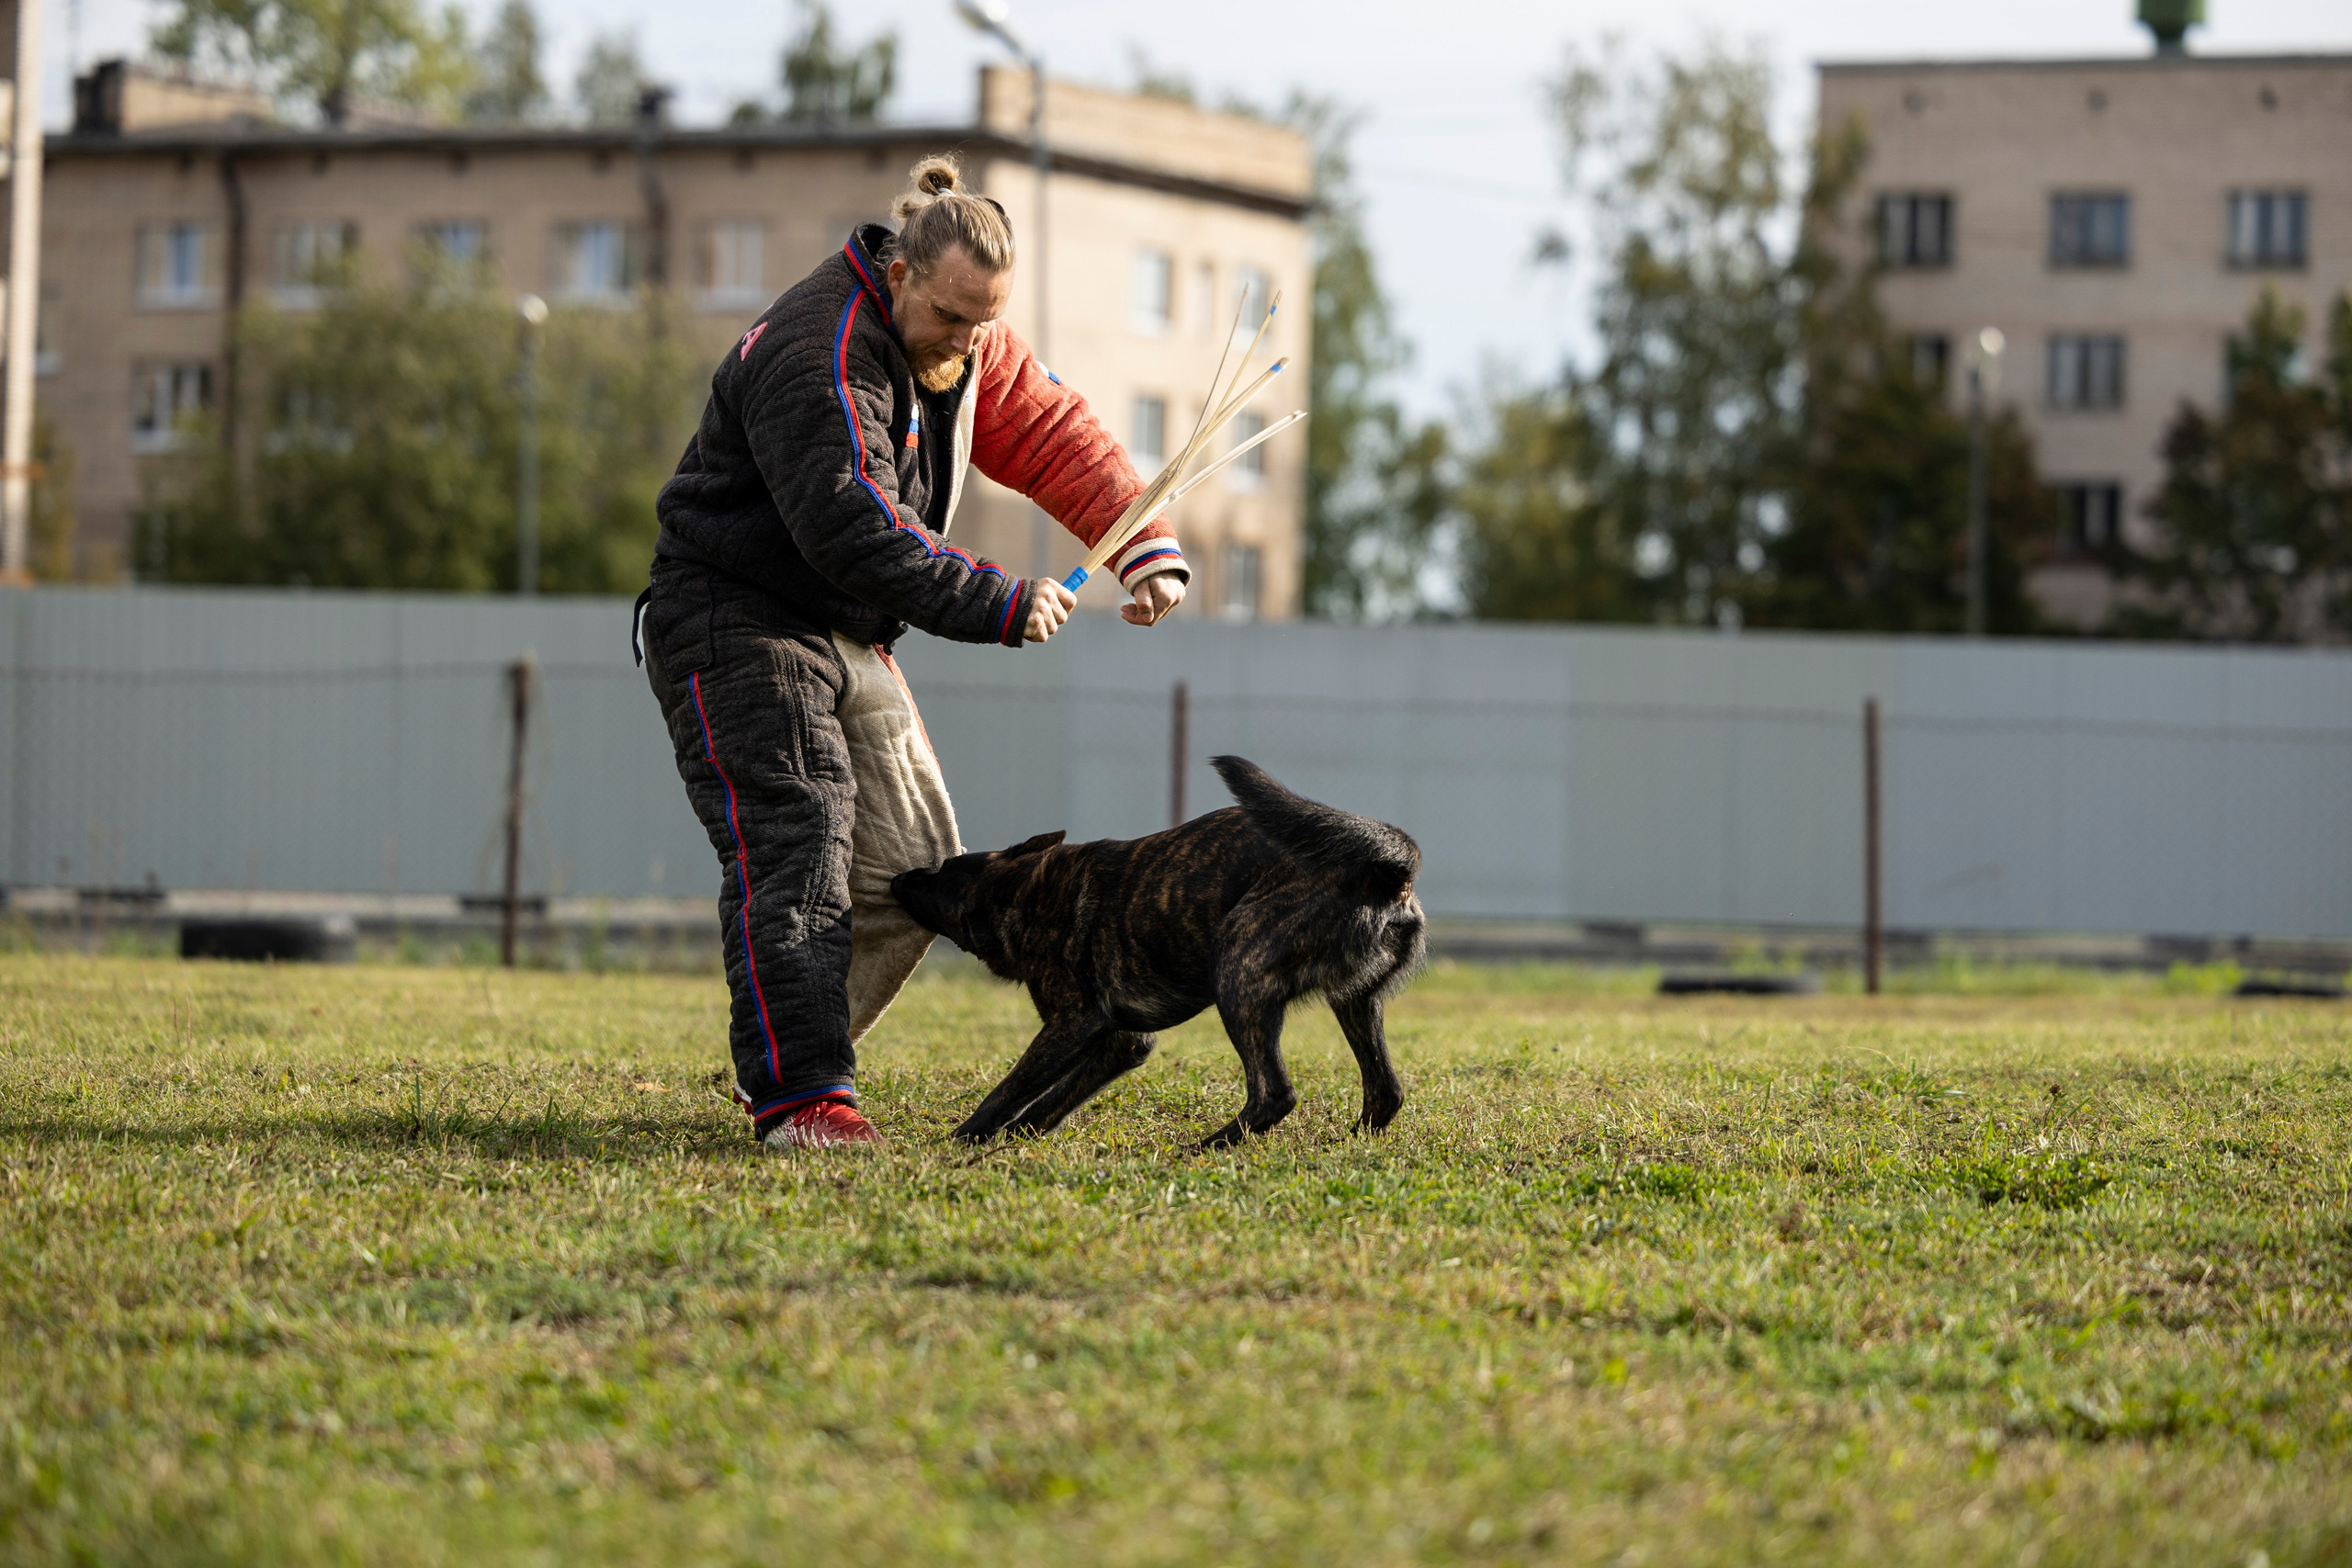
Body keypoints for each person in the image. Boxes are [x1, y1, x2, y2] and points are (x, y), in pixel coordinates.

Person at [635, 153, 1189, 1150]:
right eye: (951, 318)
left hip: (847, 627)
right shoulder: (819, 354)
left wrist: (1143, 548)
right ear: (897, 275)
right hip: (735, 618)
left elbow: (1056, 435)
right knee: (800, 834)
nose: (970, 343)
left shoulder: (962, 342)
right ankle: (803, 1098)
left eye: (987, 321)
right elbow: (853, 528)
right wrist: (997, 600)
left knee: (915, 872)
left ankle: (786, 1051)